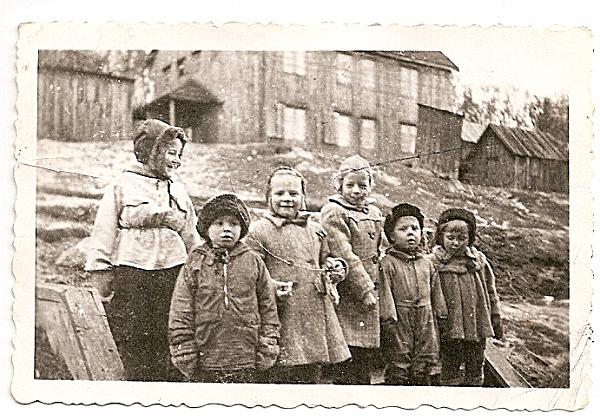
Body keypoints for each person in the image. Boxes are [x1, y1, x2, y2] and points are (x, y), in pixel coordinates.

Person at [85, 119, 200, 381]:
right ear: (152, 151)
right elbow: (103, 230)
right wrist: (101, 271)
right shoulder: (123, 184)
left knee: (169, 331)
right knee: (134, 333)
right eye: (172, 153)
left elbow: (191, 234)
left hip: (173, 271)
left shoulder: (179, 189)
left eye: (180, 155)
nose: (177, 161)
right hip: (132, 271)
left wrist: (200, 267)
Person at [246, 167, 350, 384]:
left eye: (293, 194)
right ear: (268, 197)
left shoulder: (314, 229)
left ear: (303, 198)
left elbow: (325, 259)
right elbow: (250, 272)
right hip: (283, 313)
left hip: (314, 313)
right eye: (279, 193)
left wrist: (335, 267)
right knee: (282, 371)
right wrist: (272, 287)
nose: (287, 199)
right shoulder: (259, 231)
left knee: (311, 372)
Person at [168, 194, 280, 383]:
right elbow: (181, 309)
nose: (227, 228)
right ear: (207, 228)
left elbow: (268, 306)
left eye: (234, 223)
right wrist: (184, 350)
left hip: (246, 358)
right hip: (205, 358)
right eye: (219, 223)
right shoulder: (195, 262)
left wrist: (268, 345)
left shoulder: (253, 261)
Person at [320, 155, 384, 385]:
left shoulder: (373, 213)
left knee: (365, 352)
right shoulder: (334, 212)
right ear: (339, 185)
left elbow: (380, 245)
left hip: (373, 290)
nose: (356, 191)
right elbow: (344, 252)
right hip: (351, 290)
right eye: (350, 185)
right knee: (349, 347)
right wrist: (365, 288)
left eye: (362, 185)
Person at [428, 208, 504, 386]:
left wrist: (495, 316)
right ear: (441, 236)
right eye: (451, 238)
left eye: (462, 238)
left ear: (470, 238)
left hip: (476, 325)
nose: (456, 243)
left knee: (476, 360)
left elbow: (491, 291)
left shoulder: (478, 261)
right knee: (450, 362)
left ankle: (474, 389)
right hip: (448, 326)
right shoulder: (433, 262)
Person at [378, 203, 448, 385]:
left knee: (425, 360)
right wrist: (388, 318)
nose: (411, 233)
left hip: (425, 318)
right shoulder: (388, 263)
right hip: (400, 319)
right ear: (392, 236)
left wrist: (441, 313)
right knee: (399, 361)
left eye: (415, 228)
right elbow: (385, 293)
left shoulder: (427, 263)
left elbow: (435, 290)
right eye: (403, 229)